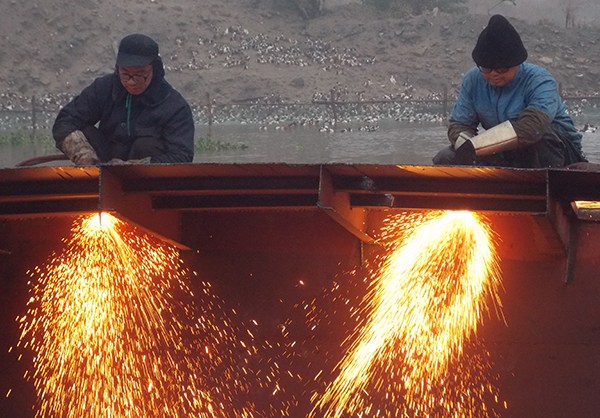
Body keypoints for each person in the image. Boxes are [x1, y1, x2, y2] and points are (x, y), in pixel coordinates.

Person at [432, 15, 586, 168]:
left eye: (501, 69)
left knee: (541, 140)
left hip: (557, 148)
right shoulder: (473, 80)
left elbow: (532, 127)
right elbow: (459, 124)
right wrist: (466, 146)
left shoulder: (540, 80)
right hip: (500, 150)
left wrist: (476, 146)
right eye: (486, 69)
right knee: (446, 157)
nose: (493, 74)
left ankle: (540, 190)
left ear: (517, 64)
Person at [52, 33, 195, 165]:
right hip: (103, 166)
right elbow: (65, 121)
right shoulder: (103, 88)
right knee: (84, 131)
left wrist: (130, 168)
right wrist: (83, 155)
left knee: (145, 145)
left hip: (147, 176)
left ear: (155, 69)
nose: (131, 82)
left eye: (140, 74)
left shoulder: (175, 106)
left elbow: (182, 156)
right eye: (125, 74)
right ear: (117, 69)